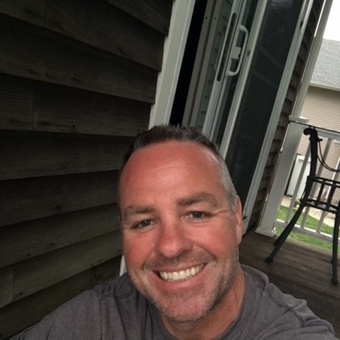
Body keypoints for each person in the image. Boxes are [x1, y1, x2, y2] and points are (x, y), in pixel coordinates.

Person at [13, 125, 336, 339]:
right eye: (144, 222)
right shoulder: (99, 318)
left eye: (196, 214)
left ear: (237, 219)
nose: (169, 247)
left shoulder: (289, 332)